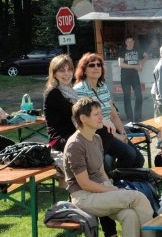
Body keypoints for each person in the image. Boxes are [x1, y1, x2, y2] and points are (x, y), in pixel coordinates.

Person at [44, 54, 117, 237]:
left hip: (77, 138)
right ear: (54, 73)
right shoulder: (54, 93)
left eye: (69, 69)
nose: (66, 73)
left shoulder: (70, 91)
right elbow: (81, 116)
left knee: (102, 146)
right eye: (62, 70)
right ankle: (109, 231)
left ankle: (109, 231)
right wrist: (103, 123)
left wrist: (103, 122)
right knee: (98, 176)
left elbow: (86, 119)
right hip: (60, 141)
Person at [63, 97, 154, 237]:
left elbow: (100, 171)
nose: (101, 117)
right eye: (96, 114)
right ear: (83, 118)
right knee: (138, 197)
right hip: (84, 197)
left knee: (130, 215)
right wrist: (112, 190)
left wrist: (110, 186)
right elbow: (85, 183)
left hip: (101, 191)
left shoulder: (97, 138)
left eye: (100, 113)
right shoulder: (75, 145)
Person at [74, 52, 145, 169]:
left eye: (99, 65)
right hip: (97, 133)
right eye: (91, 65)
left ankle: (128, 184)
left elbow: (114, 114)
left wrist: (123, 134)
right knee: (129, 155)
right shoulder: (80, 89)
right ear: (84, 70)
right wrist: (117, 136)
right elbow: (91, 119)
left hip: (112, 130)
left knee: (139, 159)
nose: (96, 67)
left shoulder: (103, 86)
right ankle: (115, 182)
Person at [118, 36, 148, 122]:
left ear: (133, 42)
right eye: (128, 42)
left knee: (139, 97)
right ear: (125, 43)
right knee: (127, 97)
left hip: (135, 77)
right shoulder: (122, 51)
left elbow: (146, 56)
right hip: (125, 76)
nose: (130, 43)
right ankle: (130, 118)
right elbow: (121, 64)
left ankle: (137, 117)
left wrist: (141, 63)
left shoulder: (138, 49)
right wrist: (135, 66)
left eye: (131, 41)